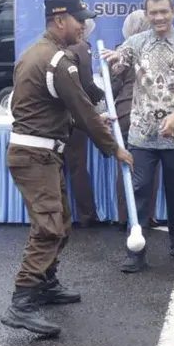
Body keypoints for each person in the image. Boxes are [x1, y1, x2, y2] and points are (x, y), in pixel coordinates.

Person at [0, 0, 134, 338]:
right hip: (35, 156)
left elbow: (51, 111)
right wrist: (113, 148)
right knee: (48, 228)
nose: (83, 26)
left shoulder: (35, 54)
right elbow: (82, 108)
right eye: (79, 20)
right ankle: (22, 302)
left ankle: (46, 283)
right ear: (60, 22)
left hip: (41, 154)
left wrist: (94, 121)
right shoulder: (58, 61)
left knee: (60, 224)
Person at [104, 0, 174, 272]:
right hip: (143, 134)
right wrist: (113, 59)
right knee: (139, 192)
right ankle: (136, 250)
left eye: (164, 11)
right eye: (153, 13)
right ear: (146, 15)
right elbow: (120, 61)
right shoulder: (135, 43)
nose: (159, 17)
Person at [114, 10, 157, 229]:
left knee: (126, 164)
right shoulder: (155, 49)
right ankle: (145, 215)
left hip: (124, 113)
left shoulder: (121, 52)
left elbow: (112, 85)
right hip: (150, 112)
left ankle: (125, 216)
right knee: (151, 164)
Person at [64, 17, 106, 228]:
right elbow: (87, 83)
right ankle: (87, 215)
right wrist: (102, 100)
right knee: (78, 167)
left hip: (59, 116)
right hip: (76, 116)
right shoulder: (82, 48)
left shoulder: (57, 47)